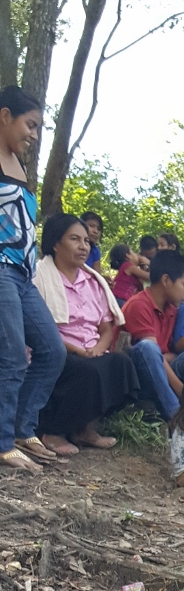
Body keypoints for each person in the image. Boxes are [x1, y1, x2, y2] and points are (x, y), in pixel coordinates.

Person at [0, 85, 66, 472]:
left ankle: (23, 429)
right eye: (30, 124)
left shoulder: (19, 165)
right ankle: (3, 442)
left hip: (22, 275)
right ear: (5, 116)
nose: (34, 134)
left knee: (51, 351)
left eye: (39, 128)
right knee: (9, 357)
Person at [33, 214, 137, 455]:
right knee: (86, 369)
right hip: (55, 349)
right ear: (56, 244)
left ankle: (83, 429)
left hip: (91, 350)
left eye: (86, 241)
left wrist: (99, 348)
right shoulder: (40, 277)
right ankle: (53, 431)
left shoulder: (92, 281)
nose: (83, 246)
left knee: (121, 364)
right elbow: (39, 328)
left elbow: (106, 328)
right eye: (74, 239)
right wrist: (80, 351)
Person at [122, 249, 184, 420]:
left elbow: (168, 354)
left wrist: (161, 358)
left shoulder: (171, 310)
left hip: (160, 370)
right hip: (137, 379)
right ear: (166, 280)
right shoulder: (139, 305)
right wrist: (182, 391)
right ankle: (178, 418)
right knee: (149, 348)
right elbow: (149, 355)